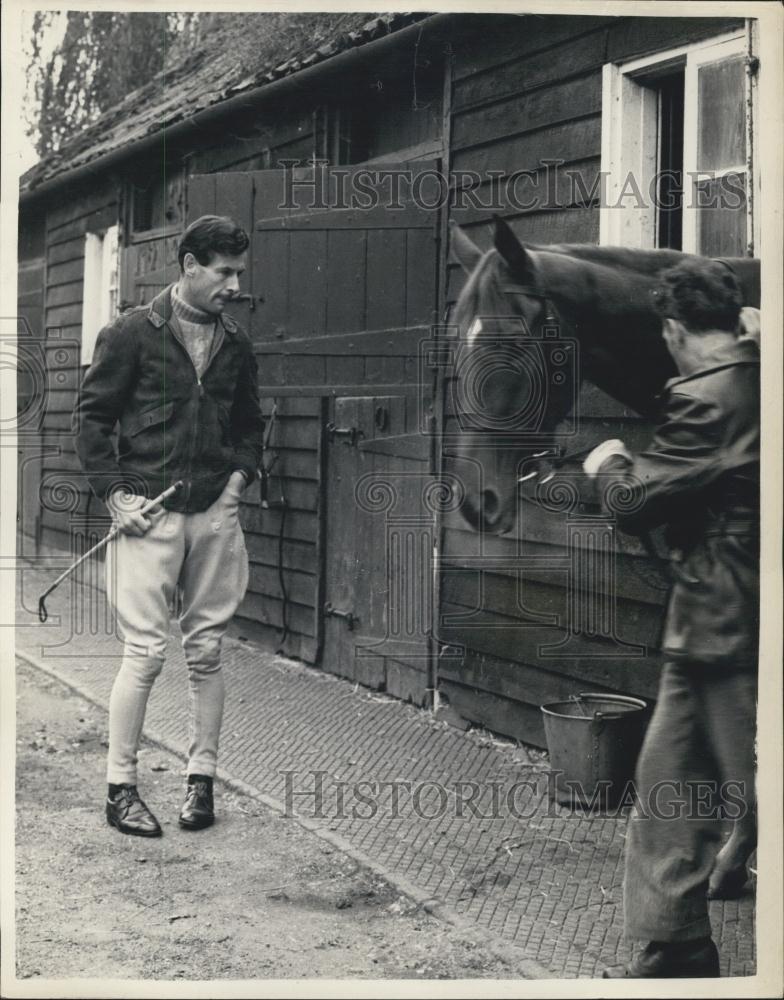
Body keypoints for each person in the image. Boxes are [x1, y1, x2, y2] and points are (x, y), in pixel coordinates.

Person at [582, 258, 759, 978]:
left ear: (675, 330)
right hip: (707, 622)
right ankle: (677, 947)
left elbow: (635, 506)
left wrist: (609, 465)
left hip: (733, 625)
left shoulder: (712, 397)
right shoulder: (755, 373)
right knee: (668, 788)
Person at [74, 215, 264, 836]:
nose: (235, 283)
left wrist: (237, 485)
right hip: (147, 515)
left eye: (239, 271)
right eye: (224, 271)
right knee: (146, 653)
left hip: (213, 513)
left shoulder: (236, 342)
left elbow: (249, 427)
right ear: (189, 265)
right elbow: (93, 419)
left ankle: (199, 781)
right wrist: (115, 497)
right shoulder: (130, 333)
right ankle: (120, 789)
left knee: (206, 651)